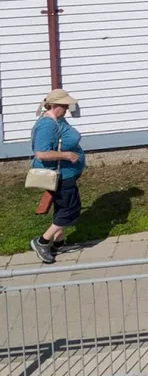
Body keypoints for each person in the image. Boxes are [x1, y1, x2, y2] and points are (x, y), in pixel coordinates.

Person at [30, 89, 84, 265]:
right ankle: (42, 242)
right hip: (58, 174)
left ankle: (58, 243)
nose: (67, 109)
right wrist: (68, 156)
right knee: (70, 208)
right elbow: (41, 154)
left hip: (66, 173)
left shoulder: (57, 119)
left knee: (62, 207)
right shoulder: (47, 125)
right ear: (54, 105)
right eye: (64, 106)